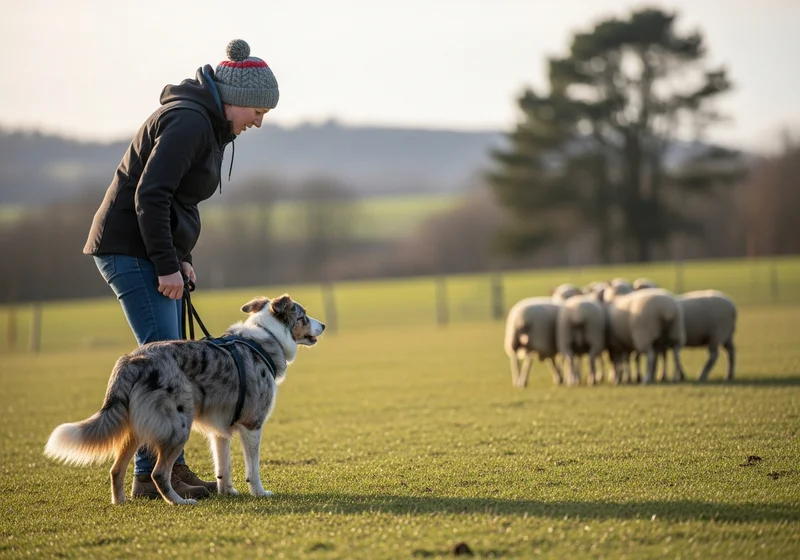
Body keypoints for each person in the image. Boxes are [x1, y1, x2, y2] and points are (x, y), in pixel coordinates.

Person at [83, 38, 279, 500]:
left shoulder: (207, 124)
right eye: (258, 111)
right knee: (162, 363)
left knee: (168, 363)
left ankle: (162, 473)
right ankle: (155, 478)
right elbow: (150, 195)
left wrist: (182, 259)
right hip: (130, 250)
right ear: (237, 98)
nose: (259, 121)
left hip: (151, 252)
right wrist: (167, 265)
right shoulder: (189, 121)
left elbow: (176, 202)